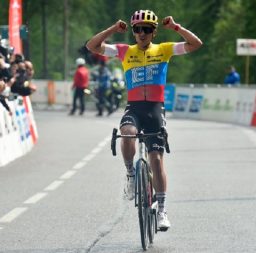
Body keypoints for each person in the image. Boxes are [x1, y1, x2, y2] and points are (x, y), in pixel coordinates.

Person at [86, 9, 202, 230]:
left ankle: (162, 210)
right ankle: (130, 175)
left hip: (155, 110)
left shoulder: (164, 49)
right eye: (137, 29)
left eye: (146, 29)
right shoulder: (124, 51)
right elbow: (92, 46)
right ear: (133, 31)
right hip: (134, 108)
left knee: (156, 160)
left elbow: (196, 44)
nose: (142, 33)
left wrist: (176, 27)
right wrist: (112, 29)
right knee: (127, 133)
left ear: (153, 32)